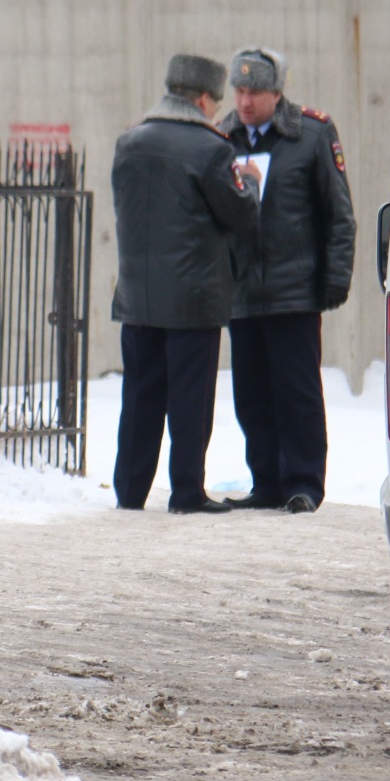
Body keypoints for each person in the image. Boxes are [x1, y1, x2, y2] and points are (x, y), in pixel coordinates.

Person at [110, 53, 260, 514]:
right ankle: (186, 493)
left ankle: (130, 493)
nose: (217, 110)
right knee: (189, 401)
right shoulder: (211, 149)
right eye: (215, 101)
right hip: (193, 298)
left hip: (138, 296)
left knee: (139, 398)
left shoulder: (129, 142)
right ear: (200, 99)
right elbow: (239, 215)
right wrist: (251, 183)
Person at [216, 46, 356, 515]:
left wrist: (334, 279)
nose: (245, 101)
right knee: (251, 395)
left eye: (255, 91)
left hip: (293, 291)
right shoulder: (221, 139)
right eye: (239, 90)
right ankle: (268, 482)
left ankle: (303, 483)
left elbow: (338, 215)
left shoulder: (311, 135)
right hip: (242, 293)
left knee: (296, 393)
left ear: (277, 93)